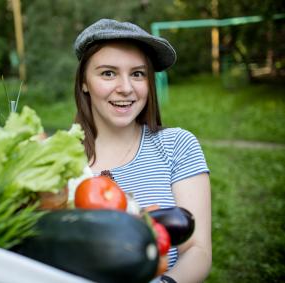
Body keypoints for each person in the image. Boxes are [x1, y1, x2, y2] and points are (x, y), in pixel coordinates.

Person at [73, 19, 212, 283]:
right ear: (84, 83)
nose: (126, 88)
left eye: (138, 74)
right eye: (108, 73)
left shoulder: (177, 145)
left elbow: (198, 251)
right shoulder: (59, 158)